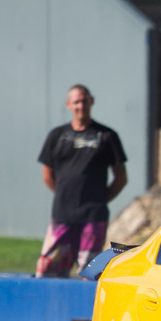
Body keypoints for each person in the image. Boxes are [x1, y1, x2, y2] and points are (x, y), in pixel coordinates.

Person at [36, 84, 127, 277]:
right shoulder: (57, 136)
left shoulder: (107, 136)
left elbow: (121, 177)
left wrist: (100, 199)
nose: (81, 106)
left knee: (89, 272)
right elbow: (47, 175)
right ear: (68, 104)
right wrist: (65, 194)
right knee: (49, 270)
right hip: (62, 215)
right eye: (76, 102)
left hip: (93, 217)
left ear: (91, 102)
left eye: (84, 101)